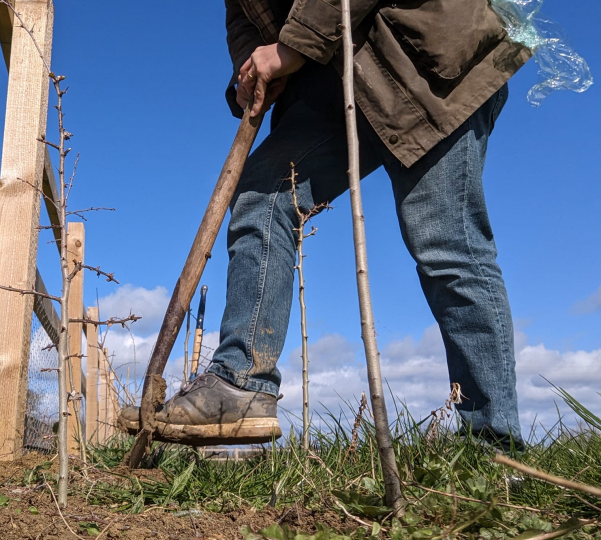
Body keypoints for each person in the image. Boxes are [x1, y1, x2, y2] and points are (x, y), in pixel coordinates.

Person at [120, 0, 531, 451]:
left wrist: (292, 46)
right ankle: (241, 383)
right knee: (264, 192)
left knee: (447, 243)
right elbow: (246, 16)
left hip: (424, 65)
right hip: (332, 79)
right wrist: (252, 66)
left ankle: (495, 443)